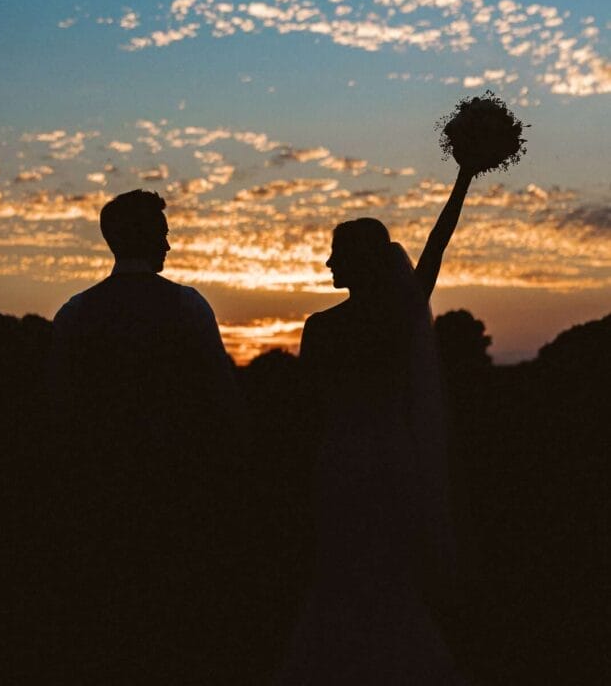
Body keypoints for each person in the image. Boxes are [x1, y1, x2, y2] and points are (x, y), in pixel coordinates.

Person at [277, 168, 475, 685]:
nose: (327, 262)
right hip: (394, 462)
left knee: (342, 576)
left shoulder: (320, 328)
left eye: (336, 253)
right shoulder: (402, 314)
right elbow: (437, 242)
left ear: (358, 261)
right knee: (390, 579)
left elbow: (304, 412)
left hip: (340, 462)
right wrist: (464, 177)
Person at [46, 190, 244, 685]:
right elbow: (221, 398)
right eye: (162, 233)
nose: (169, 245)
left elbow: (58, 405)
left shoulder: (74, 313)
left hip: (97, 487)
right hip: (176, 484)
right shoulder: (187, 306)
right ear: (141, 237)